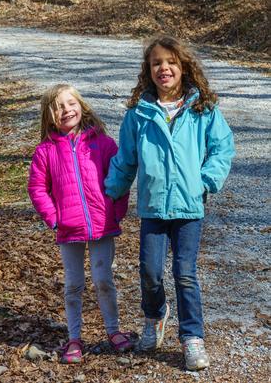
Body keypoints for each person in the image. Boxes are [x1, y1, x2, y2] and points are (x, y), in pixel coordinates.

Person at [104, 35, 235, 371]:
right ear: (148, 71)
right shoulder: (139, 114)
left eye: (171, 62)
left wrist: (205, 182)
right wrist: (109, 193)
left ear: (183, 67)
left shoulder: (201, 107)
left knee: (185, 274)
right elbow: (126, 159)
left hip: (189, 208)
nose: (164, 68)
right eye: (156, 63)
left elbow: (223, 148)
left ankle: (192, 338)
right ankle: (155, 317)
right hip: (153, 207)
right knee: (149, 272)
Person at [28, 84, 133, 364]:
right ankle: (75, 338)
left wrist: (117, 211)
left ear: (82, 106)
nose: (66, 111)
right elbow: (37, 188)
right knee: (73, 285)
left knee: (103, 280)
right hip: (68, 229)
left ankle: (113, 330)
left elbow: (120, 179)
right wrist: (53, 218)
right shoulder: (45, 151)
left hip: (102, 224)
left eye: (70, 104)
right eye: (58, 107)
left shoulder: (102, 143)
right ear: (49, 116)